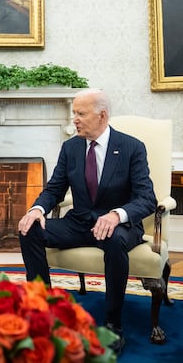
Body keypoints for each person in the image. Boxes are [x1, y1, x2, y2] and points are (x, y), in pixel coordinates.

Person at [18, 88, 157, 355]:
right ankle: (42, 311)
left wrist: (118, 214)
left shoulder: (131, 147)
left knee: (115, 240)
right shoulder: (70, 147)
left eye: (81, 114)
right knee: (29, 230)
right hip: (80, 223)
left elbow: (147, 198)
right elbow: (55, 188)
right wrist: (37, 209)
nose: (75, 120)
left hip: (119, 227)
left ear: (102, 115)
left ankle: (113, 323)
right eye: (74, 113)